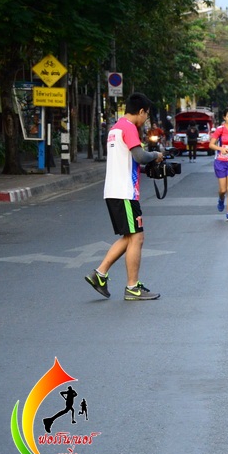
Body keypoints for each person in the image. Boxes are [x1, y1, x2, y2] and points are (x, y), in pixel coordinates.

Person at [85, 92, 163, 301]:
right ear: (141, 111)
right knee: (137, 237)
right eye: (146, 114)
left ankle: (99, 274)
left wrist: (148, 169)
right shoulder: (129, 128)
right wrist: (156, 156)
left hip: (114, 191)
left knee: (129, 236)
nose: (146, 119)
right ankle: (132, 287)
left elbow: (127, 162)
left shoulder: (115, 128)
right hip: (125, 192)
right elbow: (140, 156)